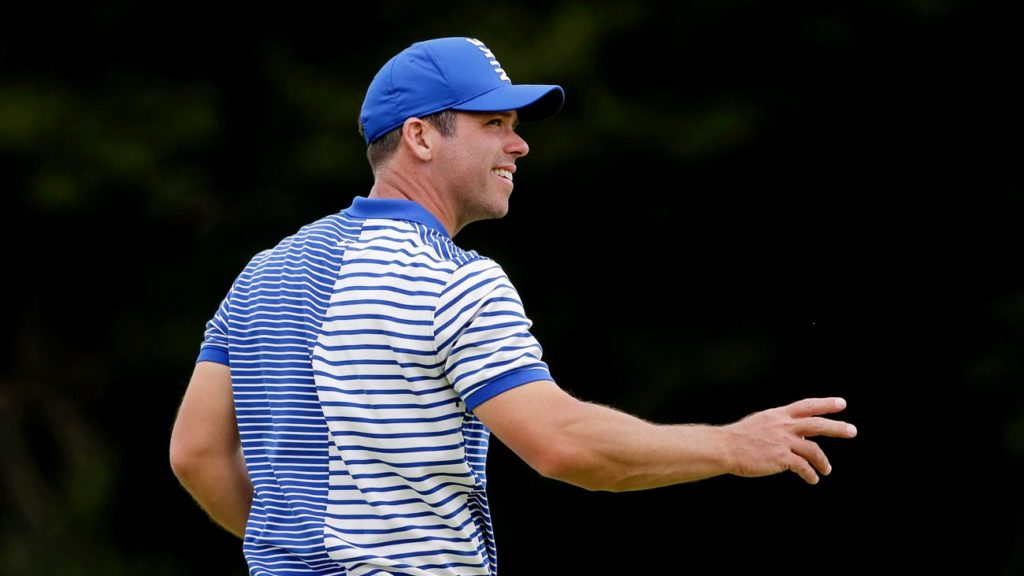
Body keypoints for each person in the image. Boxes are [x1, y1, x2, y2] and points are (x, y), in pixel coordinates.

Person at [169, 36, 857, 576]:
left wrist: (302, 552)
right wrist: (731, 445)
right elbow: (565, 445)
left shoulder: (262, 274)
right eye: (494, 122)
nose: (519, 142)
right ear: (419, 137)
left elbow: (195, 454)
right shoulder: (454, 281)